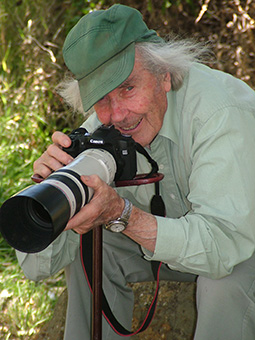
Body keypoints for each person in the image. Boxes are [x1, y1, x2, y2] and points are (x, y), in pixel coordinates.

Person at [16, 4, 255, 340]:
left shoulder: (219, 113)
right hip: (178, 251)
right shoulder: (101, 128)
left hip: (241, 245)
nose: (117, 115)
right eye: (101, 98)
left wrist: (124, 215)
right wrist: (50, 193)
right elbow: (37, 268)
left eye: (128, 88)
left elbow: (224, 246)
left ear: (165, 74)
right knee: (89, 250)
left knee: (223, 282)